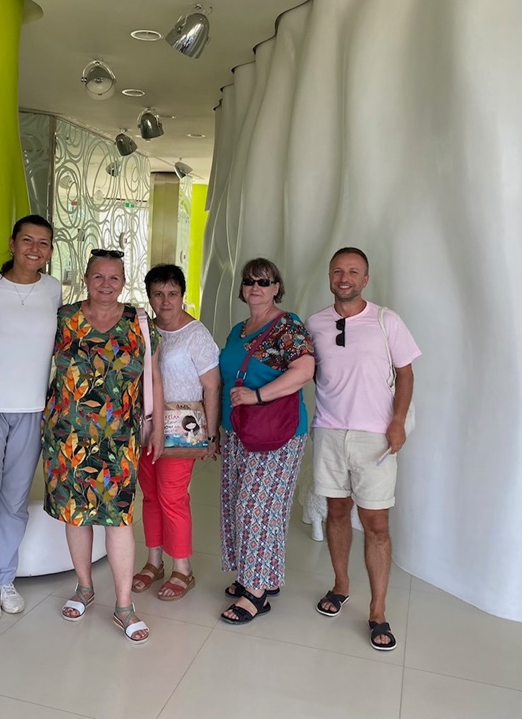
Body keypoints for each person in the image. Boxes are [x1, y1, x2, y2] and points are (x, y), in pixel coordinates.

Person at [43, 249, 164, 643]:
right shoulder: (64, 318)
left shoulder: (139, 323)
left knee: (119, 519)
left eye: (114, 277)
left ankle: (124, 605)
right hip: (68, 436)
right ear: (86, 278)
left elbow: (154, 377)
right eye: (98, 276)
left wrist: (157, 426)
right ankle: (84, 587)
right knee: (76, 515)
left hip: (119, 438)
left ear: (124, 282)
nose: (106, 284)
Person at [305, 247, 420, 651]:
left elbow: (405, 374)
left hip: (375, 438)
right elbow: (307, 372)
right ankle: (340, 586)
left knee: (376, 524)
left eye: (353, 272)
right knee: (336, 511)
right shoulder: (314, 324)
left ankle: (377, 610)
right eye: (338, 271)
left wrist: (397, 421)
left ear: (365, 279)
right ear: (329, 276)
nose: (345, 278)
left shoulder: (387, 320)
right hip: (329, 433)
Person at [0, 215, 61, 621]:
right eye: (27, 240)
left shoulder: (53, 290)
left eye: (43, 243)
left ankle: (6, 578)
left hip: (32, 410)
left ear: (50, 250)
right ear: (11, 243)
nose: (34, 249)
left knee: (15, 502)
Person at [218, 257, 315, 624]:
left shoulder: (287, 326)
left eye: (264, 281)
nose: (255, 287)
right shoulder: (238, 330)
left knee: (256, 508)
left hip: (277, 433)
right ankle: (260, 576)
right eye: (249, 281)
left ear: (276, 287)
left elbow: (304, 371)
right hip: (237, 430)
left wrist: (257, 396)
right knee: (241, 504)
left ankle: (255, 594)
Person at [131, 264, 221, 601]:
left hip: (182, 428)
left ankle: (183, 568)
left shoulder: (196, 334)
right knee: (150, 495)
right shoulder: (144, 329)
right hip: (146, 425)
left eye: (172, 293)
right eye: (158, 294)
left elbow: (212, 387)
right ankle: (154, 562)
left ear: (182, 295)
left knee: (172, 496)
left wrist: (211, 435)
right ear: (149, 297)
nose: (165, 301)